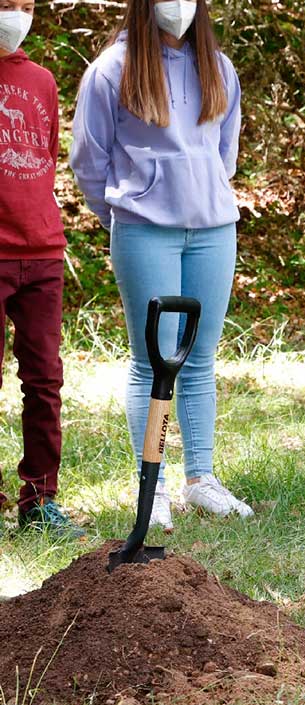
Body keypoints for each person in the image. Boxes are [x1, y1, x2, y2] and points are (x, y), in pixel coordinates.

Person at [70, 0, 252, 531]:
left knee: (197, 359)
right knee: (153, 358)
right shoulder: (111, 69)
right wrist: (130, 210)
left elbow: (226, 153)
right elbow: (89, 159)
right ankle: (156, 485)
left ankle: (202, 479)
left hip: (213, 230)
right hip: (144, 230)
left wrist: (205, 197)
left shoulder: (219, 67)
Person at [0, 0, 84, 537]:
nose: (16, 14)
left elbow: (46, 155)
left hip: (42, 248)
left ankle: (39, 499)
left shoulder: (42, 80)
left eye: (26, 6)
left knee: (45, 378)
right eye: (6, 5)